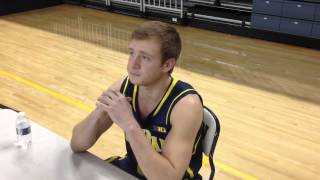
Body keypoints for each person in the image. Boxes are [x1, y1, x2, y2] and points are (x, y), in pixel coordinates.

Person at [70, 21, 204, 180]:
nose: (132, 65)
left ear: (167, 64)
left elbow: (168, 178)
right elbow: (77, 144)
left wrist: (129, 124)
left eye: (145, 58)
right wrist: (99, 112)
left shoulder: (186, 106)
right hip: (133, 170)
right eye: (131, 53)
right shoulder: (124, 87)